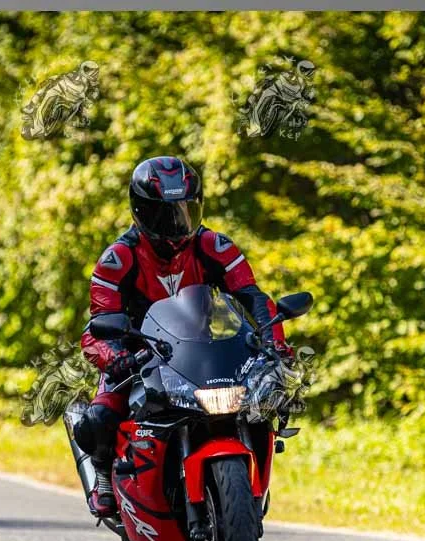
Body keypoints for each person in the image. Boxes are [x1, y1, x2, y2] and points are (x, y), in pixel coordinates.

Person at [73, 156, 291, 521]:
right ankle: (104, 478)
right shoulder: (117, 259)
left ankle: (248, 484)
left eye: (185, 211)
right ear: (141, 211)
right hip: (138, 355)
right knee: (99, 418)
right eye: (164, 214)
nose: (176, 224)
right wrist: (116, 358)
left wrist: (275, 346)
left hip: (201, 352)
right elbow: (96, 328)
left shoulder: (214, 246)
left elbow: (254, 298)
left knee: (263, 401)